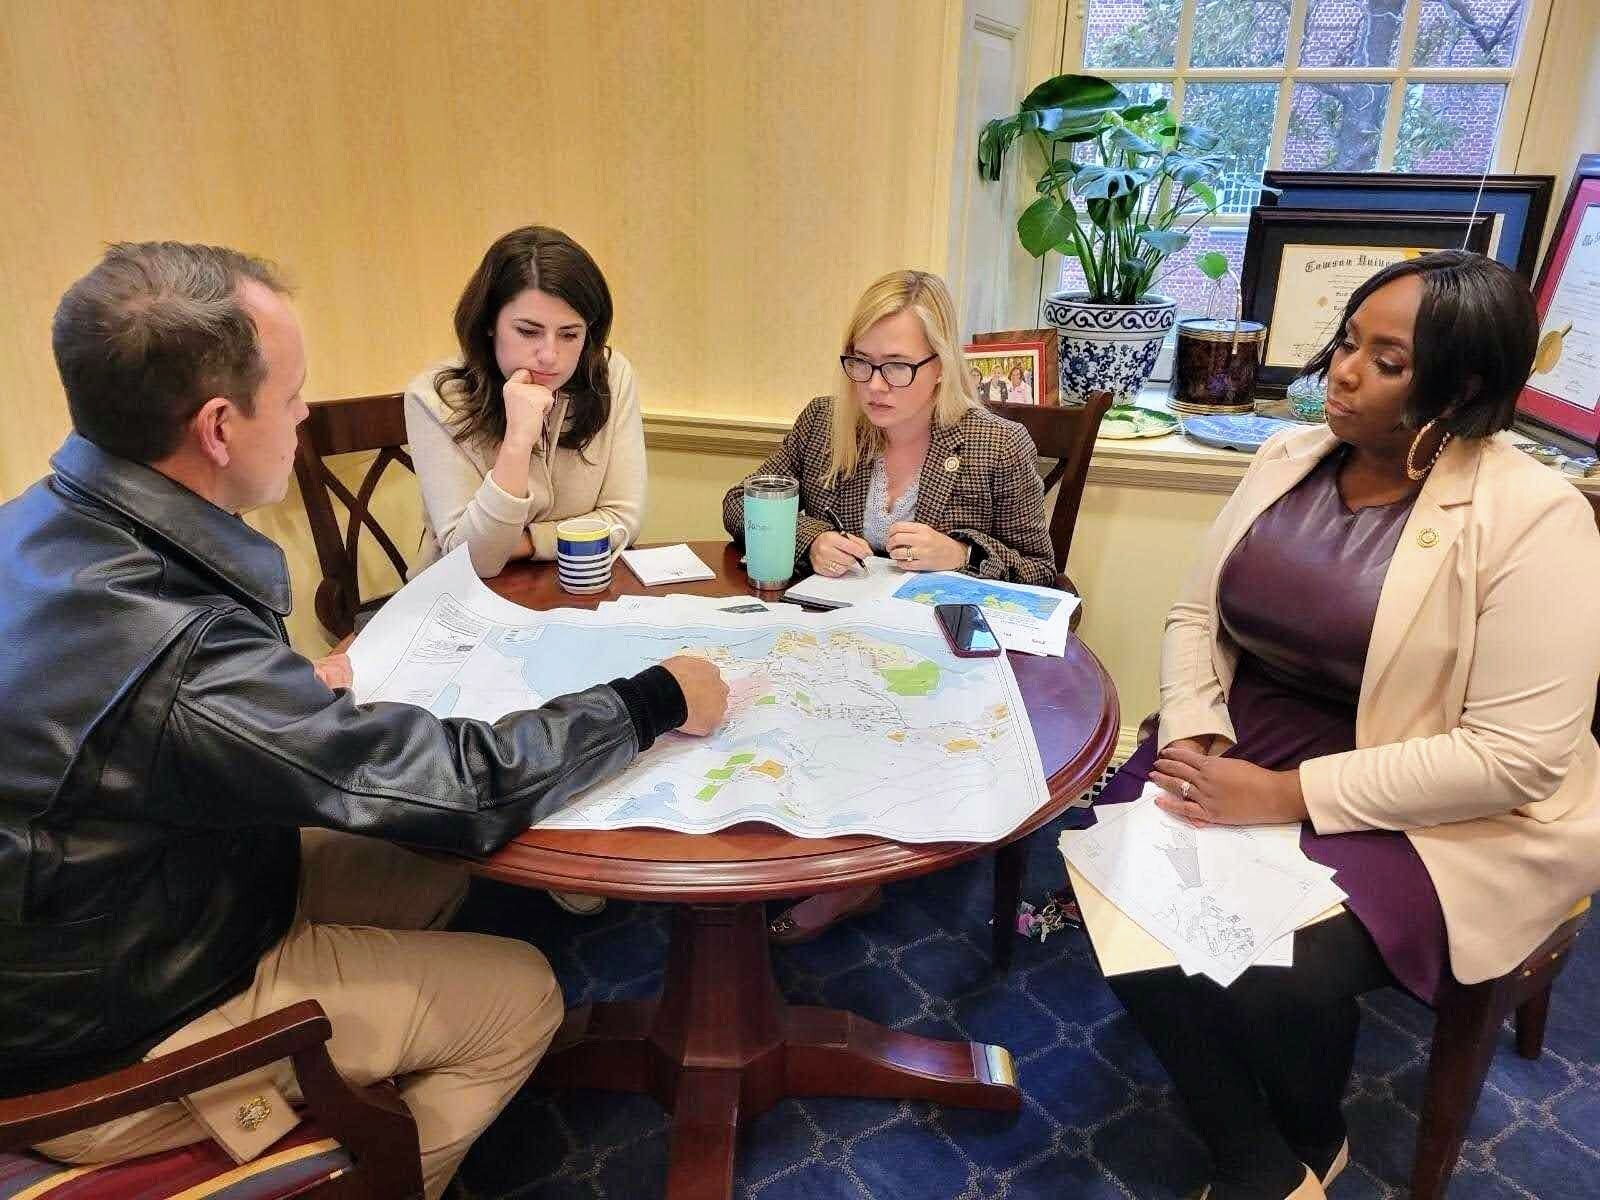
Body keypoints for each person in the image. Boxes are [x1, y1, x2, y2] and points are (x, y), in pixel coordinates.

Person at [0, 242, 728, 1200]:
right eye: (295, 396)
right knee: (524, 994)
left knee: (428, 869)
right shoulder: (187, 658)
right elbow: (463, 790)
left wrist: (278, 692)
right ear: (219, 427)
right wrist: (656, 696)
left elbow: (134, 720)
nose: (304, 417)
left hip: (139, 915)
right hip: (125, 1034)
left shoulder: (43, 523)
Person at [1086, 251, 1600, 1200]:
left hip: (1436, 794)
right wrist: (1196, 729)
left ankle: (1313, 1130)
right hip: (1250, 732)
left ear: (1467, 381)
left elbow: (1515, 757)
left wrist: (1287, 798)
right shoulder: (1287, 457)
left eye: (1388, 360)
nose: (1343, 373)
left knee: (1284, 968)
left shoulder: (1538, 517)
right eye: (1347, 342)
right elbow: (1200, 616)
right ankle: (1261, 1159)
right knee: (1120, 880)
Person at [721, 268, 1055, 945]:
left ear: (940, 366)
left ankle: (853, 876)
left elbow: (1046, 578)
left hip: (933, 657)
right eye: (861, 363)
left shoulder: (996, 446)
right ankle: (784, 840)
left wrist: (960, 553)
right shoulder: (824, 424)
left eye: (897, 367)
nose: (874, 385)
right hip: (830, 636)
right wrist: (809, 540)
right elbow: (740, 502)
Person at [406, 225, 645, 581]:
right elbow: (475, 561)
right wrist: (517, 441)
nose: (550, 355)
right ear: (489, 323)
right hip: (460, 600)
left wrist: (528, 542)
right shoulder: (434, 398)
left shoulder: (611, 375)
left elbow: (624, 521)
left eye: (570, 334)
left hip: (580, 586)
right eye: (528, 331)